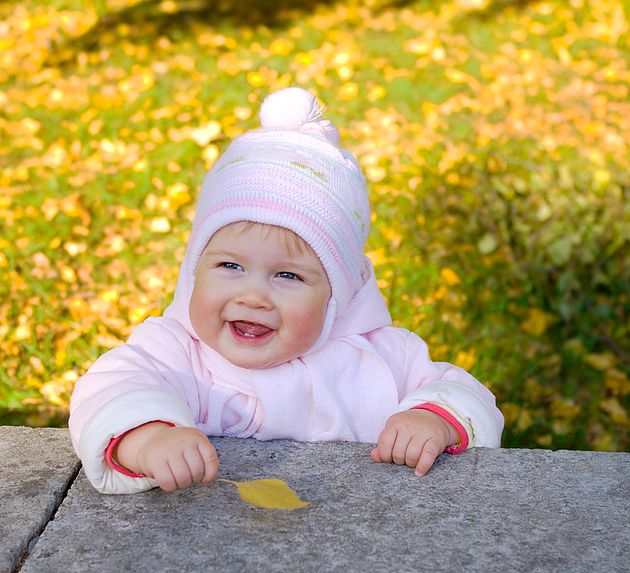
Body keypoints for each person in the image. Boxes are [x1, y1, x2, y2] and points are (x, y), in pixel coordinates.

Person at [68, 87, 504, 494]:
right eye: (230, 266)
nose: (253, 296)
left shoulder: (381, 357)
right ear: (193, 272)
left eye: (288, 276)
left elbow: (463, 392)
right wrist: (147, 438)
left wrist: (432, 418)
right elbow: (107, 389)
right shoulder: (177, 351)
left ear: (338, 297)